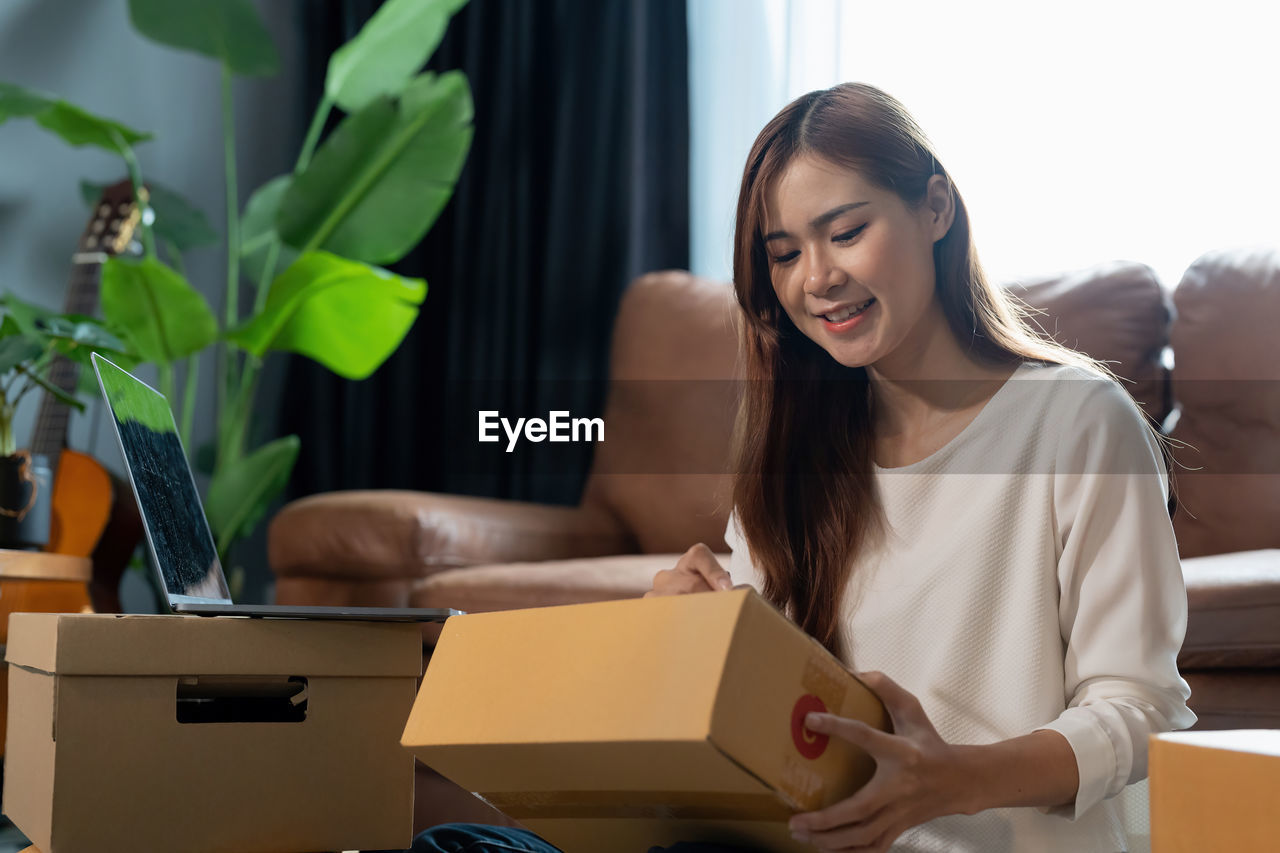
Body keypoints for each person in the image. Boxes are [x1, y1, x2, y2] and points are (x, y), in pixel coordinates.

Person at [407, 82, 1195, 853]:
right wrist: (682, 643)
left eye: (846, 231)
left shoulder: (1078, 421)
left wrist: (953, 778)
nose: (815, 278)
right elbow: (759, 725)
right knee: (452, 845)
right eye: (784, 253)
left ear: (935, 207)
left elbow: (1142, 707)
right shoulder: (796, 453)